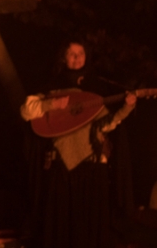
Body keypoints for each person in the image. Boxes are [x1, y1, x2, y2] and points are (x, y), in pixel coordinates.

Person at [20, 40, 136, 248]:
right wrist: (51, 104)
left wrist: (126, 109)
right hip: (62, 167)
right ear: (63, 57)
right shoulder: (52, 86)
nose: (76, 57)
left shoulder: (97, 88)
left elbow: (106, 126)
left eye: (80, 53)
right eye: (71, 54)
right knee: (61, 228)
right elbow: (26, 111)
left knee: (91, 229)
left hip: (93, 165)